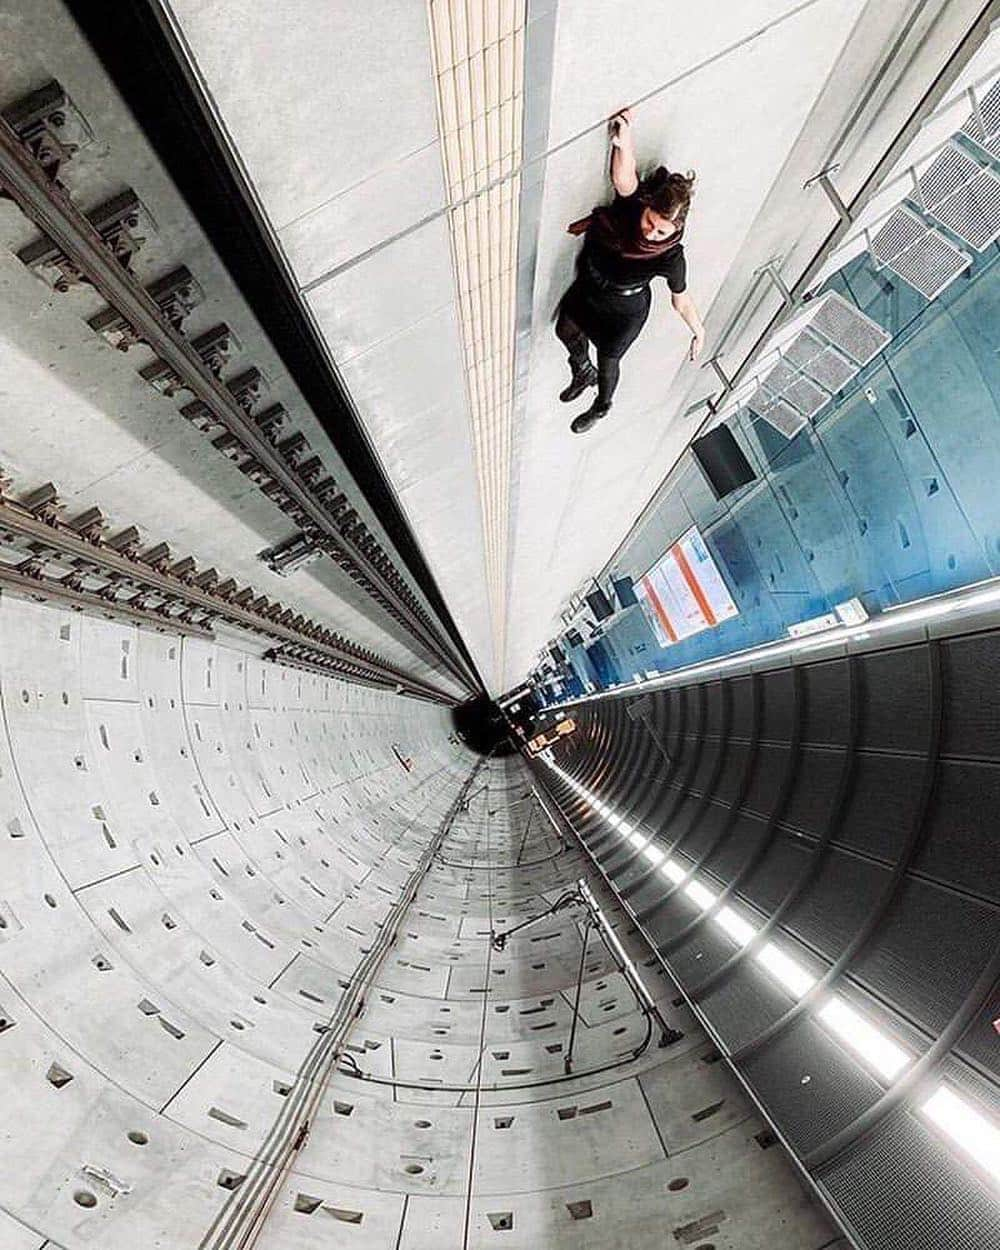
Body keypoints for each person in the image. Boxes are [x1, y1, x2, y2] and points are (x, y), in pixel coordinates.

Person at [555, 107, 705, 434]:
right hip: (592, 287)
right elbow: (624, 178)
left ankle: (602, 406)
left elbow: (681, 300)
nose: (651, 233)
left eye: (661, 231)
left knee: (609, 363)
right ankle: (582, 372)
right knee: (565, 330)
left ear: (675, 230)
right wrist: (623, 142)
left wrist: (699, 330)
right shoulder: (633, 206)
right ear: (647, 206)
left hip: (624, 312)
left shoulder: (671, 257)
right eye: (650, 222)